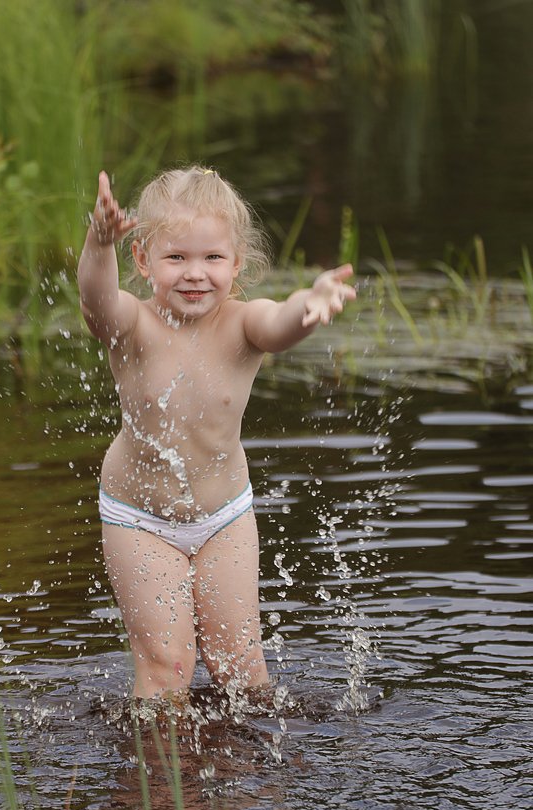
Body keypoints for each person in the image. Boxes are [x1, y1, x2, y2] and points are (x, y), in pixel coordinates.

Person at [78, 166, 356, 700]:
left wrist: (311, 304)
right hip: (141, 520)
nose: (195, 274)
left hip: (225, 517)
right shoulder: (133, 324)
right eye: (176, 257)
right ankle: (159, 782)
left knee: (243, 670)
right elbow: (96, 299)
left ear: (237, 264)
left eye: (212, 258)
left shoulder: (242, 323)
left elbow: (282, 323)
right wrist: (99, 240)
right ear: (142, 260)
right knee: (166, 669)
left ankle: (245, 780)